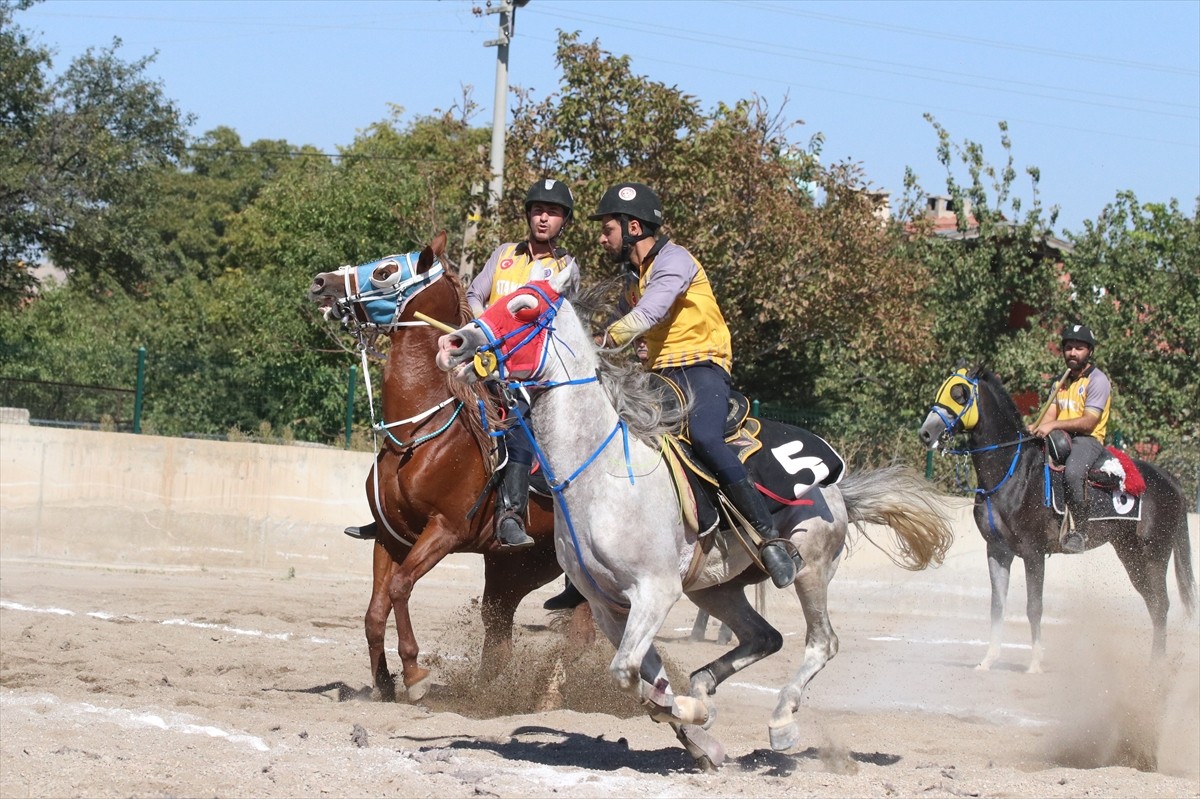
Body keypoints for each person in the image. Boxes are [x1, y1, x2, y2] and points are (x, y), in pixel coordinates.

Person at [344, 178, 580, 549]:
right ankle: (392, 510)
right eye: (537, 211)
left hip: (526, 377)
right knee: (423, 411)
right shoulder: (504, 253)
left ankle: (511, 515)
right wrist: (485, 327)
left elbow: (559, 320)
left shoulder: (567, 267)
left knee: (516, 428)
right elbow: (474, 293)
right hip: (484, 364)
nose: (543, 218)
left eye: (552, 213)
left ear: (564, 220)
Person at [588, 181, 797, 588]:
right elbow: (617, 321)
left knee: (705, 437)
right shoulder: (633, 279)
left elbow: (649, 313)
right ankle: (581, 574)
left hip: (701, 369)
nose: (601, 237)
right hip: (659, 379)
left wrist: (605, 340)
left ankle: (770, 539)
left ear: (633, 227)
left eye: (607, 228)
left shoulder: (675, 260)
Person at [1027, 323, 1113, 553]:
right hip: (1059, 437)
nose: (1073, 353)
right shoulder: (1060, 382)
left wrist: (1052, 425)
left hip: (1087, 440)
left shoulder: (1098, 381)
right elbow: (1050, 417)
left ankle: (1080, 532)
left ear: (1090, 352)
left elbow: (1088, 422)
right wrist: (1035, 427)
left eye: (1079, 348)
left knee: (1073, 473)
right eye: (1069, 347)